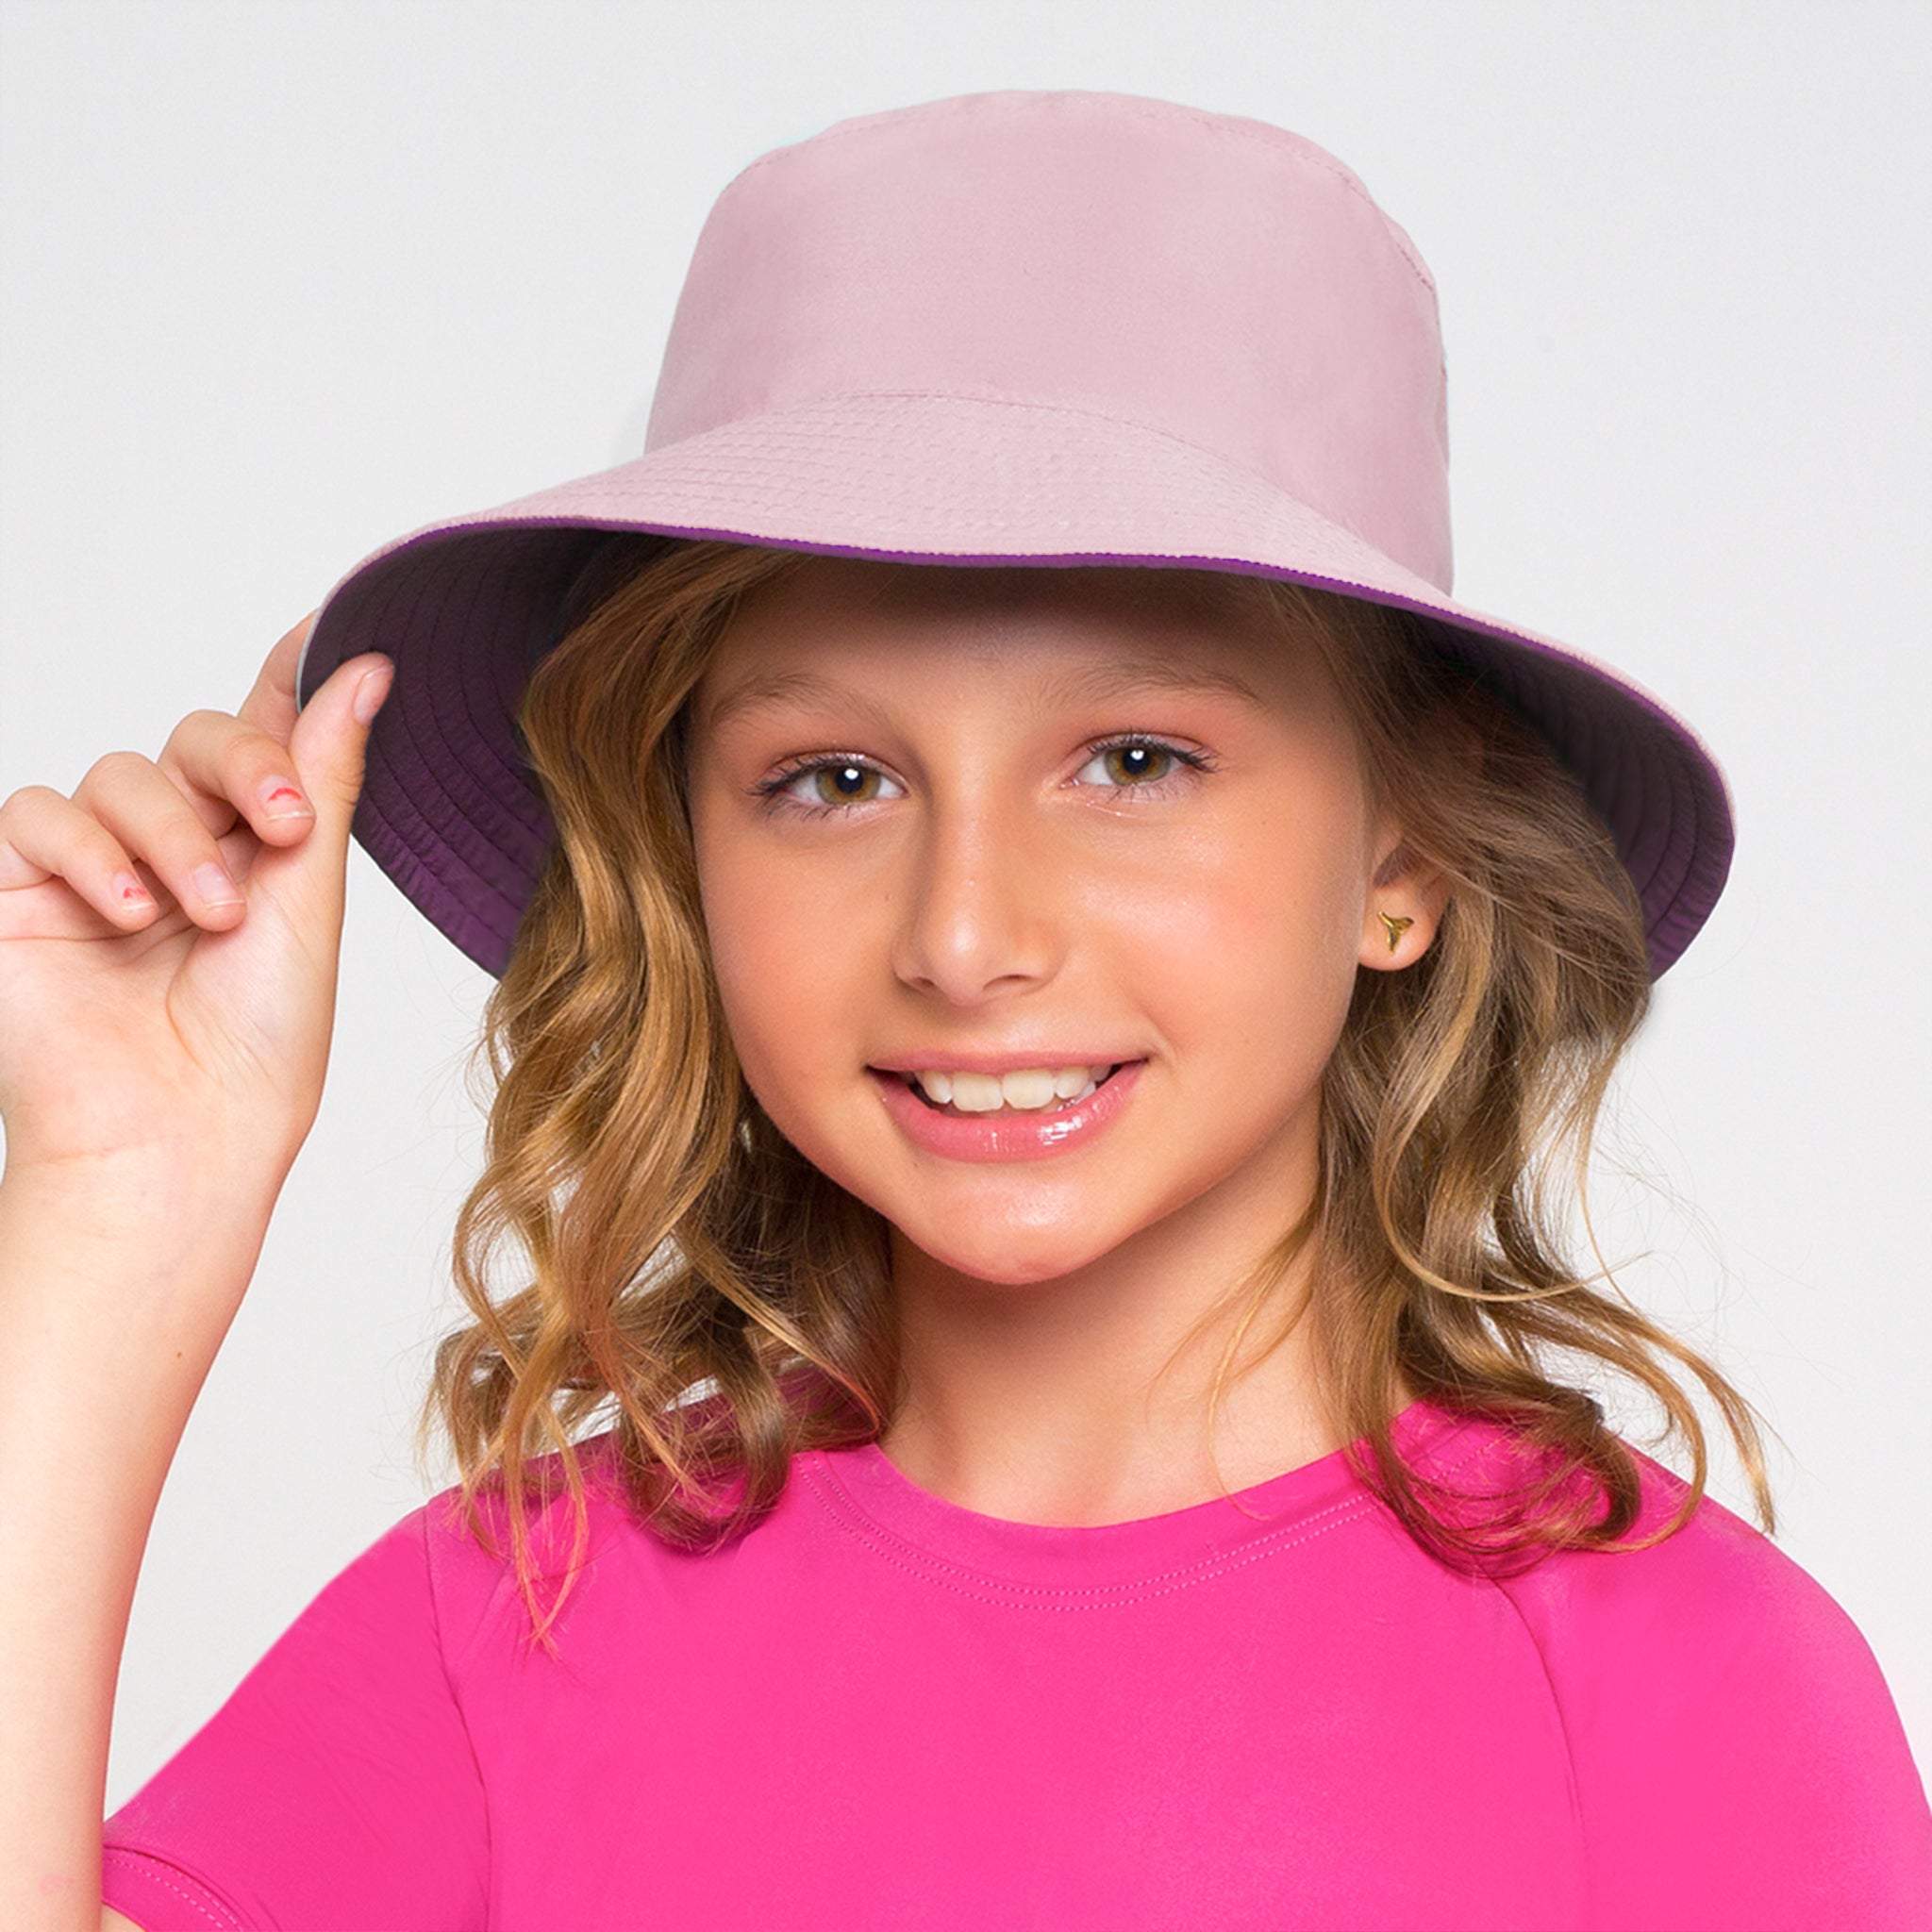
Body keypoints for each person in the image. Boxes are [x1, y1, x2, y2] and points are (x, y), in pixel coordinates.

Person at [2, 87, 1926, 1932]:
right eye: (832, 779)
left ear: (1405, 850)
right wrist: (114, 1196)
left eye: (1138, 759)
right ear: (686, 856)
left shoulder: (1689, 1692)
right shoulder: (508, 1628)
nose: (966, 933)